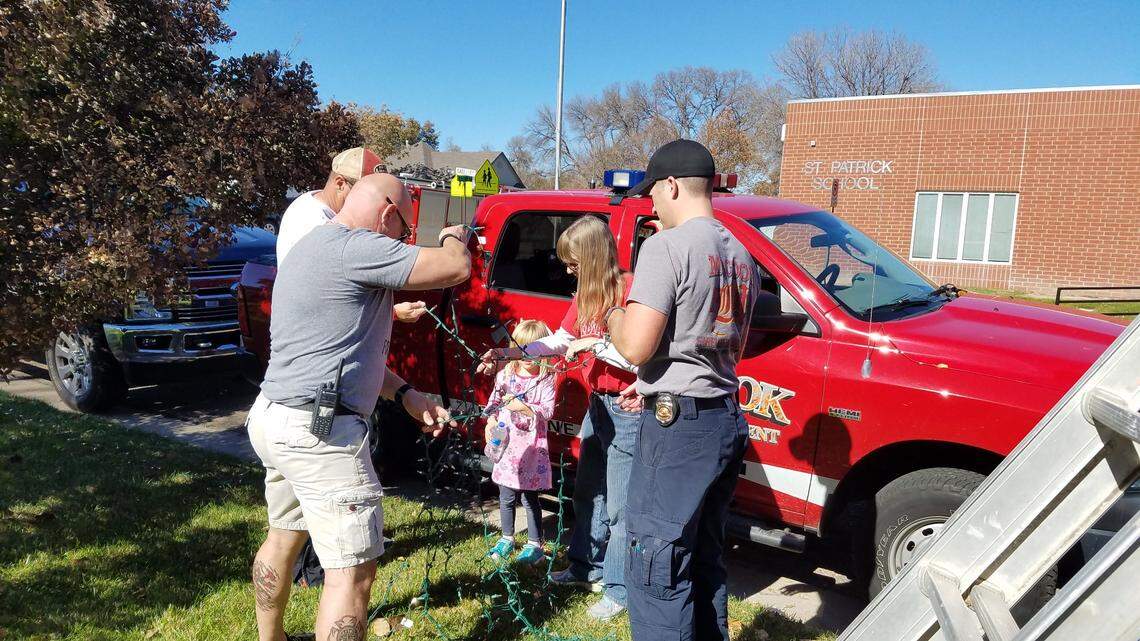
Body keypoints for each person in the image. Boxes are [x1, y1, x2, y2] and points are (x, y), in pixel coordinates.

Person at [245, 173, 473, 641]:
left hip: (277, 416)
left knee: (284, 536)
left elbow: (341, 349)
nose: (403, 239)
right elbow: (455, 268)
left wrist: (405, 393)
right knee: (352, 575)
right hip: (321, 436)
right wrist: (455, 235)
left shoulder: (311, 247)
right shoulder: (356, 247)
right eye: (405, 229)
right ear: (389, 214)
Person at [604, 140, 758, 641]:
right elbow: (720, 344)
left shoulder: (665, 247)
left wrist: (612, 312)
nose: (650, 205)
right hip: (723, 419)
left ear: (671, 185)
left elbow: (636, 347)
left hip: (678, 435)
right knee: (703, 558)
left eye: (653, 193)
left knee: (657, 567)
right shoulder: (741, 252)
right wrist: (651, 388)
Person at [477, 215, 641, 621]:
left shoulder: (630, 291)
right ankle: (586, 567)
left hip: (628, 409)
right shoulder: (584, 297)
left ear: (591, 256)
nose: (568, 270)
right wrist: (509, 353)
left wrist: (595, 344)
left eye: (573, 262)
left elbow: (640, 357)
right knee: (588, 493)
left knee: (620, 506)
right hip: (598, 406)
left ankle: (618, 590)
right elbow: (559, 342)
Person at [275, 146, 427, 325]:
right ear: (340, 184)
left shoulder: (313, 202)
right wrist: (393, 312)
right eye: (365, 192)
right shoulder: (316, 225)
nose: (373, 202)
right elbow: (326, 299)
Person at [483, 319, 557, 565]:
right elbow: (493, 403)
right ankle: (507, 537)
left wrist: (524, 407)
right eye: (522, 348)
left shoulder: (546, 379)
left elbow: (547, 411)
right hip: (507, 448)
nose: (527, 356)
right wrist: (490, 422)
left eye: (534, 349)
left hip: (531, 449)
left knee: (529, 497)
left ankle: (535, 543)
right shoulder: (505, 375)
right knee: (505, 495)